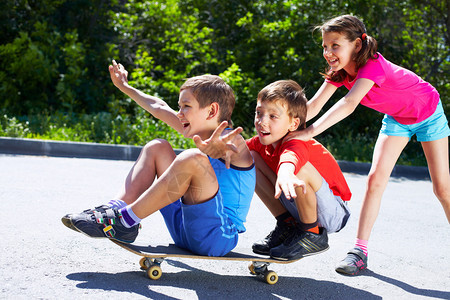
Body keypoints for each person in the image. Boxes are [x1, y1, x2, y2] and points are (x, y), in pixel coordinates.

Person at [288, 14, 450, 275]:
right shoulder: (339, 71)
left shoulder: (372, 66)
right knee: (374, 179)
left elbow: (349, 103)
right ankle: (359, 252)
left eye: (335, 45)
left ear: (357, 45)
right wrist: (286, 125)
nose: (328, 52)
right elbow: (314, 105)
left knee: (442, 190)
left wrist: (310, 132)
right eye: (325, 46)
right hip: (398, 119)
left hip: (429, 113)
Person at [61, 60, 256, 257]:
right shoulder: (198, 130)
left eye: (186, 106)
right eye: (179, 107)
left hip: (217, 237)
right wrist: (125, 87)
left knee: (192, 158)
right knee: (158, 147)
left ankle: (126, 220)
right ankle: (116, 212)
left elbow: (228, 148)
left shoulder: (234, 140)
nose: (179, 113)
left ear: (212, 111)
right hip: (183, 228)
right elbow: (158, 107)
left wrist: (216, 150)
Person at [196, 80, 352, 261]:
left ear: (293, 124)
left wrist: (286, 173)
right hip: (302, 204)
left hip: (333, 212)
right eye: (259, 113)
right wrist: (215, 151)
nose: (262, 122)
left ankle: (312, 234)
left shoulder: (297, 142)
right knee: (249, 158)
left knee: (300, 169)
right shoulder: (262, 143)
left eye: (273, 116)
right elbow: (237, 154)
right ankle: (288, 224)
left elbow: (291, 159)